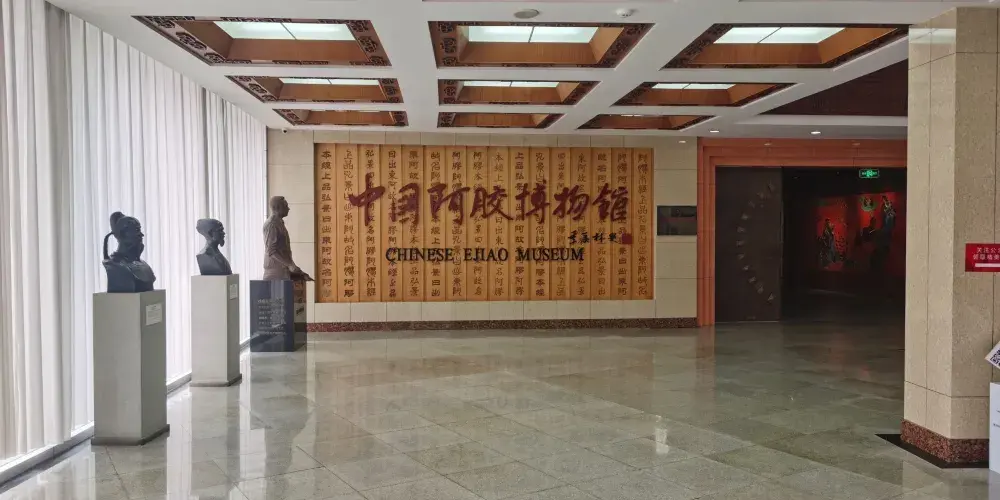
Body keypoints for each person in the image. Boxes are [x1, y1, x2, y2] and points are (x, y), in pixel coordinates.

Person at [103, 212, 156, 292]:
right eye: (136, 230)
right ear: (124, 234)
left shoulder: (144, 265)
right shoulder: (115, 265)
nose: (141, 235)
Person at [262, 196, 312, 281]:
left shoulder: (279, 223)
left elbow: (282, 251)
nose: (288, 209)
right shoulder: (271, 225)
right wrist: (290, 265)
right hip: (275, 273)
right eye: (285, 206)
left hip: (282, 270)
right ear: (278, 207)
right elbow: (271, 251)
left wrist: (292, 266)